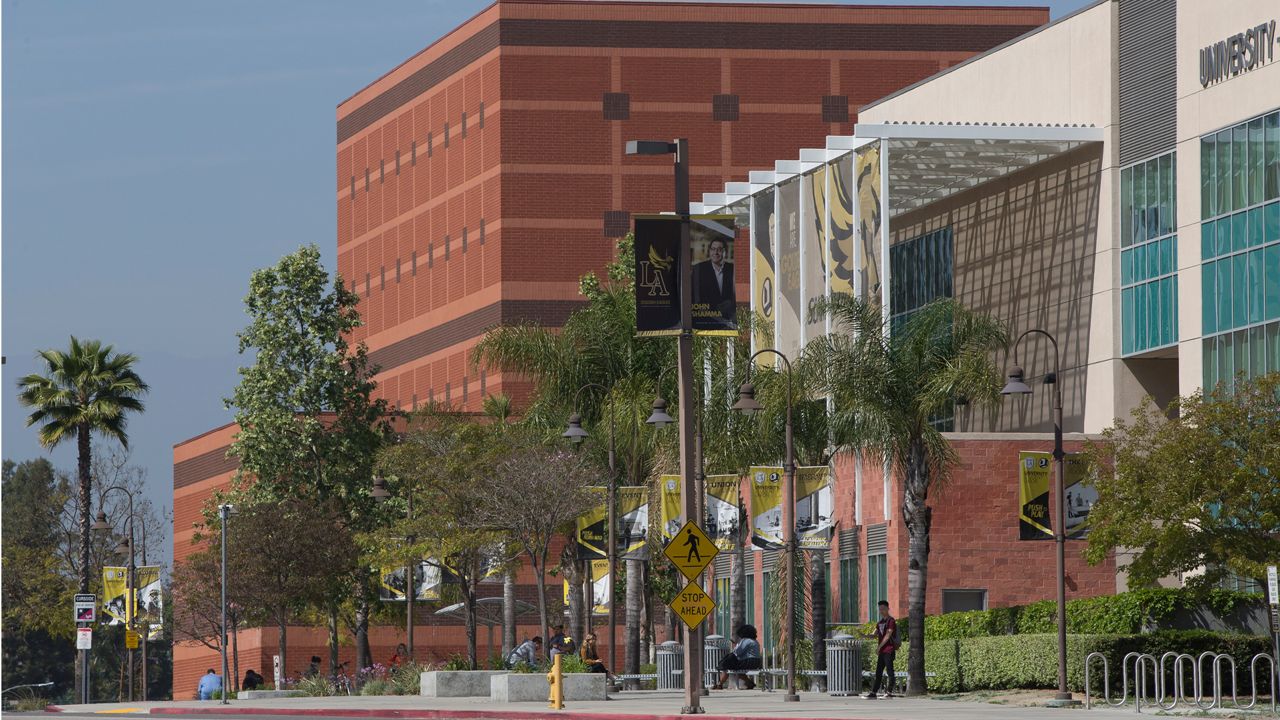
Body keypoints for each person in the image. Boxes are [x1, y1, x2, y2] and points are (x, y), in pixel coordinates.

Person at [692, 237, 736, 324]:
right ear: (709, 251)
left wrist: (731, 303)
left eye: (719, 249)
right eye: (713, 249)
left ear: (725, 252)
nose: (715, 252)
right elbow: (694, 296)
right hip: (705, 319)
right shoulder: (699, 269)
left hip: (729, 320)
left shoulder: (732, 269)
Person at [862, 600, 900, 699]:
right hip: (882, 651)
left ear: (888, 608)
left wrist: (879, 647)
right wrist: (864, 635)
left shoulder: (891, 621)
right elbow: (874, 635)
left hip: (889, 649)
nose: (881, 611)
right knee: (878, 672)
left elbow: (888, 635)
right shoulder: (880, 623)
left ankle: (889, 692)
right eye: (880, 609)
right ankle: (873, 693)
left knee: (890, 671)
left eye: (883, 609)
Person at [713, 624, 762, 690]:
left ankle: (720, 684)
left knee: (728, 664)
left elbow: (737, 652)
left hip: (749, 661)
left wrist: (734, 646)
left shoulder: (745, 640)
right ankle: (749, 683)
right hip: (756, 662)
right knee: (736, 669)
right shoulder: (755, 641)